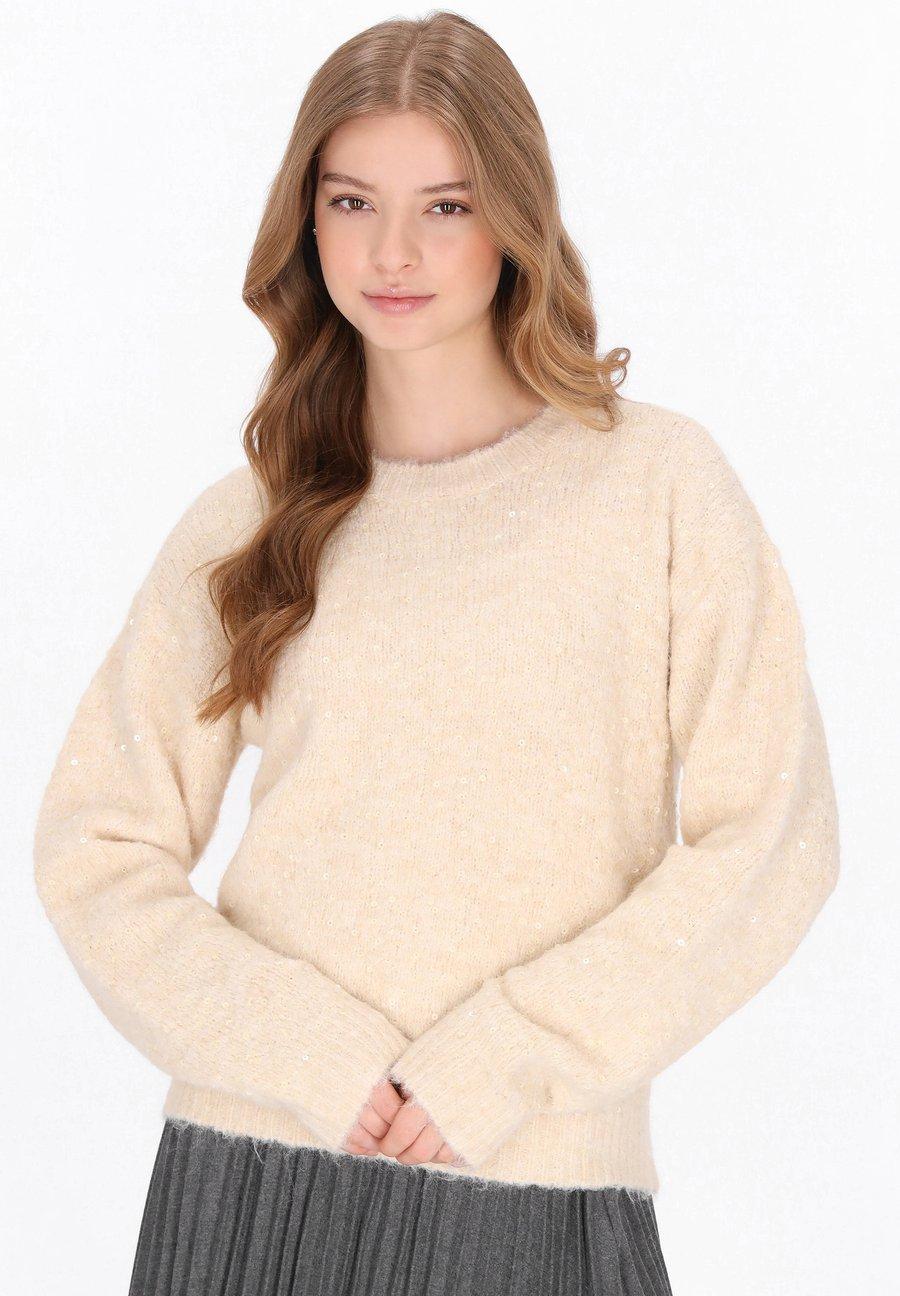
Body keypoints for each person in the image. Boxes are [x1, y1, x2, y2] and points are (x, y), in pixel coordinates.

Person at [32, 11, 840, 1295]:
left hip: (540, 1180)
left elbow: (774, 836)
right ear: (306, 220)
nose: (392, 252)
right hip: (256, 1184)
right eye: (352, 202)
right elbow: (97, 845)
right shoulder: (250, 522)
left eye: (445, 207)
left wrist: (512, 1055)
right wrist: (303, 1050)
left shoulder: (657, 489)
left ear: (514, 218)